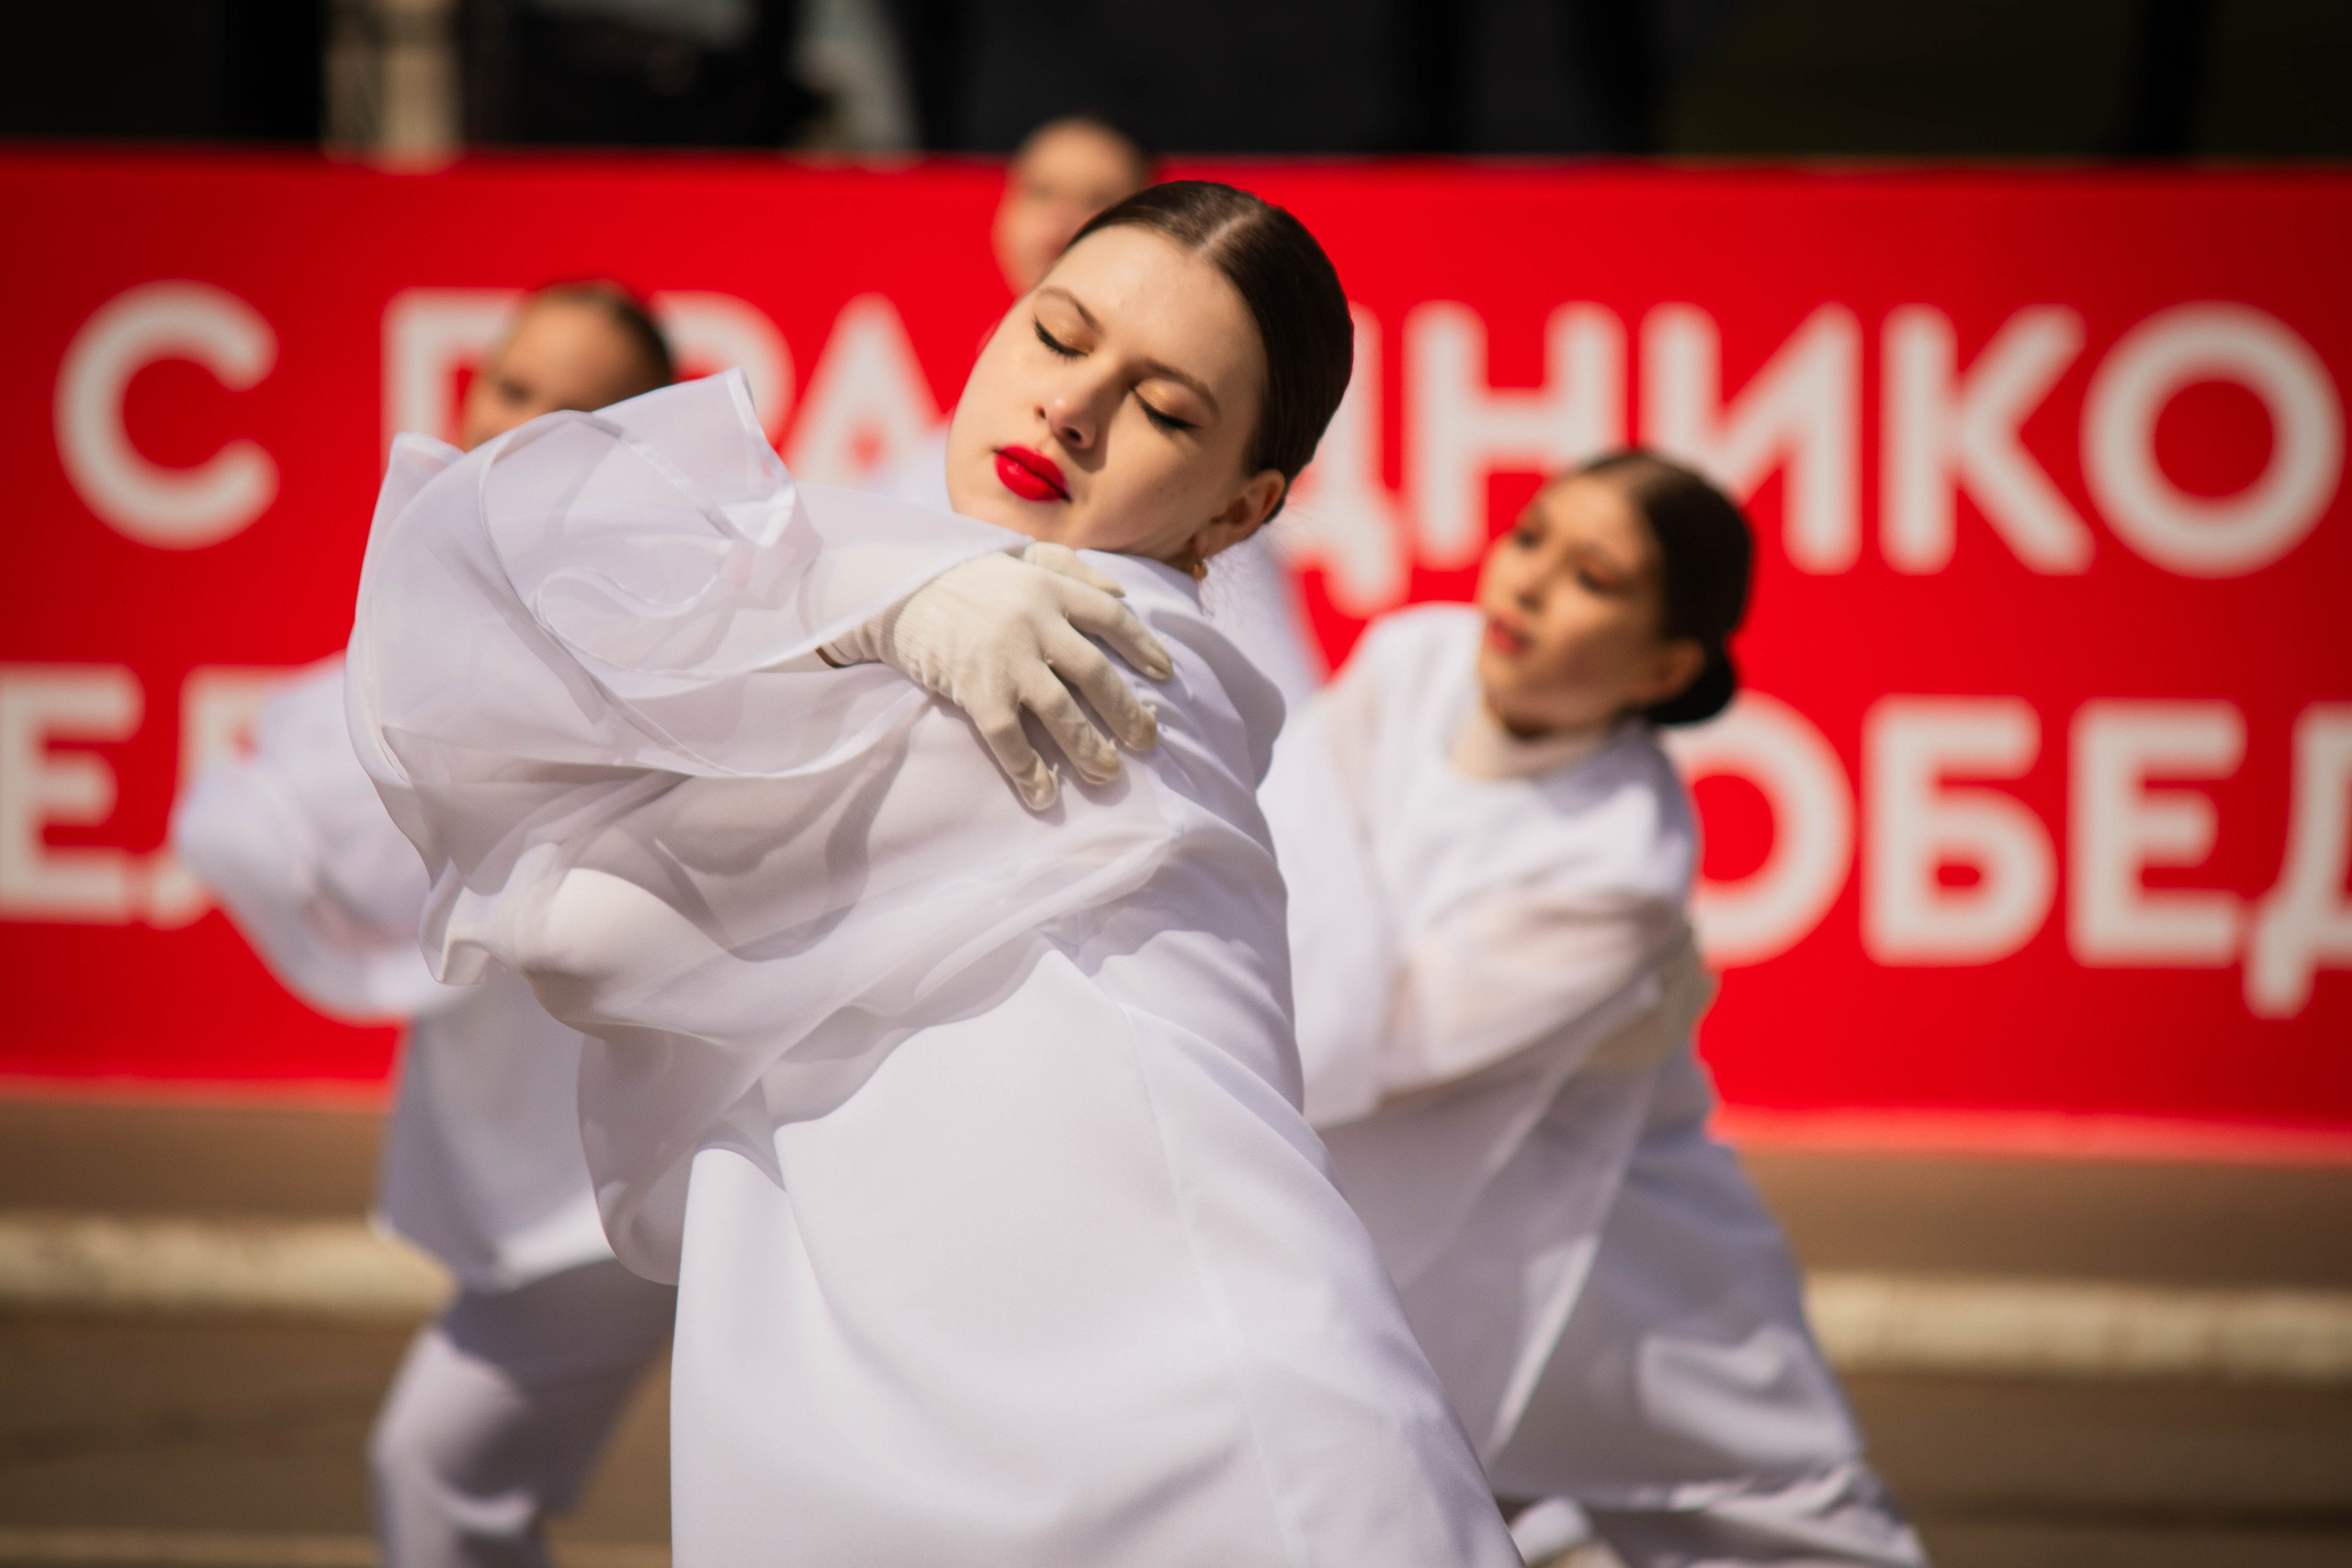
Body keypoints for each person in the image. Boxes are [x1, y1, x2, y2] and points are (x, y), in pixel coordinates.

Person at [347, 182, 1521, 1567]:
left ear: (1239, 511)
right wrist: (870, 607)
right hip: (1033, 1416)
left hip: (1225, 1448)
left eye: (1163, 409)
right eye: (1057, 334)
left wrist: (846, 613)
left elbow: (582, 913)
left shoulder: (1099, 665)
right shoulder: (932, 584)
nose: (1071, 408)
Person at [1262, 453, 1929, 1568]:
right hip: (1405, 1213)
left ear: (1665, 666)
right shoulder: (1410, 657)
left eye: (1592, 578)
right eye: (1529, 537)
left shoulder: (1623, 863)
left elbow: (1367, 1035)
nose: (1526, 582)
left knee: (1797, 1517)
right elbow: (1288, 859)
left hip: (1620, 1257)